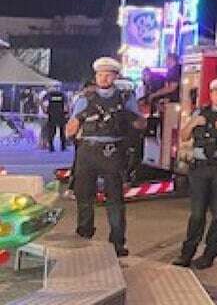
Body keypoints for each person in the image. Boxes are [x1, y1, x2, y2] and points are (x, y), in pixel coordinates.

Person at [65, 57, 146, 256]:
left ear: (115, 76)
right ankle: (84, 237)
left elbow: (141, 124)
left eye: (108, 74)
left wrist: (128, 116)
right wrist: (81, 116)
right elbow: (69, 131)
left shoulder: (126, 98)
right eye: (100, 74)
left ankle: (117, 243)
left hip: (113, 152)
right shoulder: (85, 98)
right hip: (88, 151)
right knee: (85, 198)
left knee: (115, 201)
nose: (103, 78)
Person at [172, 77, 217, 269]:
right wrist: (193, 122)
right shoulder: (200, 113)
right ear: (211, 94)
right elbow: (183, 136)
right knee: (197, 214)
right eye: (216, 92)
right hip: (199, 168)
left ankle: (209, 255)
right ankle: (186, 253)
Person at [42, 83, 68, 151]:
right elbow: (66, 105)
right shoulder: (62, 94)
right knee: (62, 132)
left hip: (52, 115)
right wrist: (66, 113)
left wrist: (46, 111)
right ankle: (63, 147)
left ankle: (51, 147)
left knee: (51, 132)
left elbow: (44, 104)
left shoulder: (48, 95)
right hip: (61, 115)